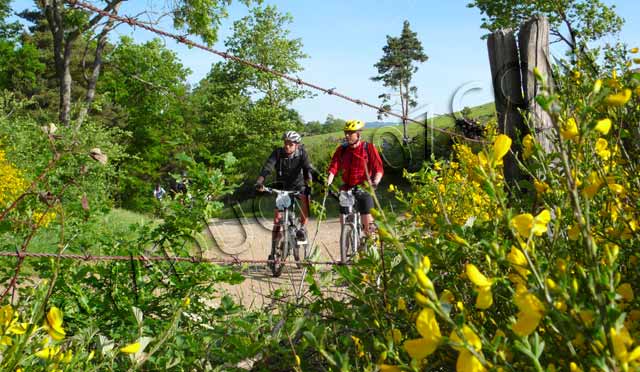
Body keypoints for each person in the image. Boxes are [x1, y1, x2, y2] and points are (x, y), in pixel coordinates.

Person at [326, 119, 383, 235]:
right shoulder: (341, 150)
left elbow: (379, 169)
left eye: (350, 133)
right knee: (344, 222)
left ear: (358, 134)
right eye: (346, 133)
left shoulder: (368, 148)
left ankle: (370, 245)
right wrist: (328, 182)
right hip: (347, 188)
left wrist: (375, 182)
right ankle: (345, 244)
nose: (347, 135)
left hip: (365, 187)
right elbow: (334, 167)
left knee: (368, 228)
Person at [256, 131, 313, 244]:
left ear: (296, 145)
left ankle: (302, 228)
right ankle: (274, 250)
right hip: (282, 187)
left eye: (290, 144)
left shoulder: (302, 153)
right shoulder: (278, 153)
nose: (287, 146)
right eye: (285, 143)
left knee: (305, 200)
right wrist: (260, 181)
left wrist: (309, 184)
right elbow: (268, 167)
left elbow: (307, 169)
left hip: (298, 185)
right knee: (277, 220)